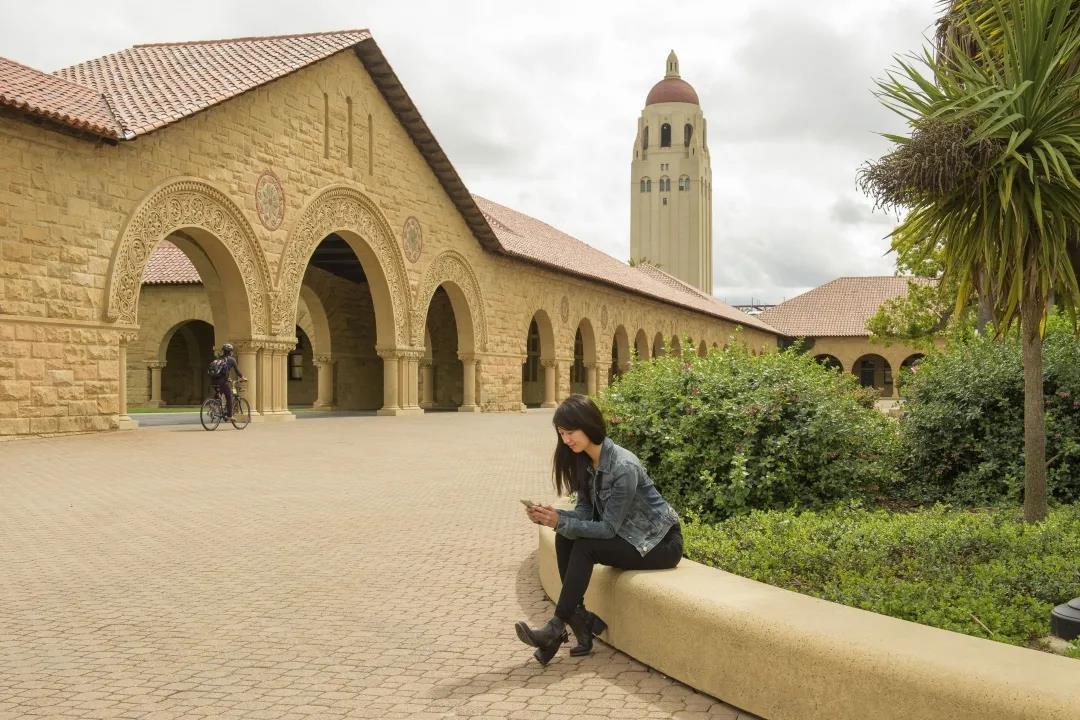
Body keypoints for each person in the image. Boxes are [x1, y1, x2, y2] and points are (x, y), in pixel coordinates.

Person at [515, 394, 683, 665]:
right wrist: (553, 518)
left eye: (571, 432)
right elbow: (584, 513)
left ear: (589, 425)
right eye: (561, 433)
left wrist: (561, 521)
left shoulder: (623, 466)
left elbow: (607, 529)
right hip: (629, 537)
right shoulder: (585, 461)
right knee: (566, 537)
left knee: (583, 545)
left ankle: (557, 627)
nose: (566, 440)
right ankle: (579, 623)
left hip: (659, 544)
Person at [209, 343, 245, 419]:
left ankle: (213, 408)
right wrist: (242, 377)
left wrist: (227, 378)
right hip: (222, 382)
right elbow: (237, 371)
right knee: (229, 397)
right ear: (230, 352)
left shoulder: (218, 358)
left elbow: (221, 371)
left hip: (214, 381)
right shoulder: (231, 360)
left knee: (219, 394)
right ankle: (229, 415)